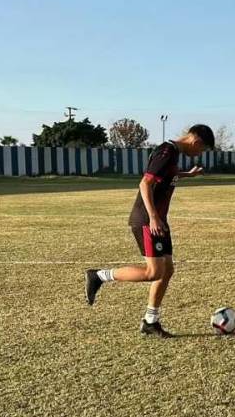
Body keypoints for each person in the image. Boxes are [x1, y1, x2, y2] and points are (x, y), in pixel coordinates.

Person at [84, 124, 214, 337]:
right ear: (196, 141)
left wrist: (187, 175)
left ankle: (150, 321)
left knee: (167, 270)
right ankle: (98, 276)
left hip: (159, 220)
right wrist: (153, 217)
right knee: (153, 272)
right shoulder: (167, 151)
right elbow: (145, 183)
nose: (199, 154)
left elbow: (165, 176)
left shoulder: (173, 154)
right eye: (202, 150)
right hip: (147, 219)